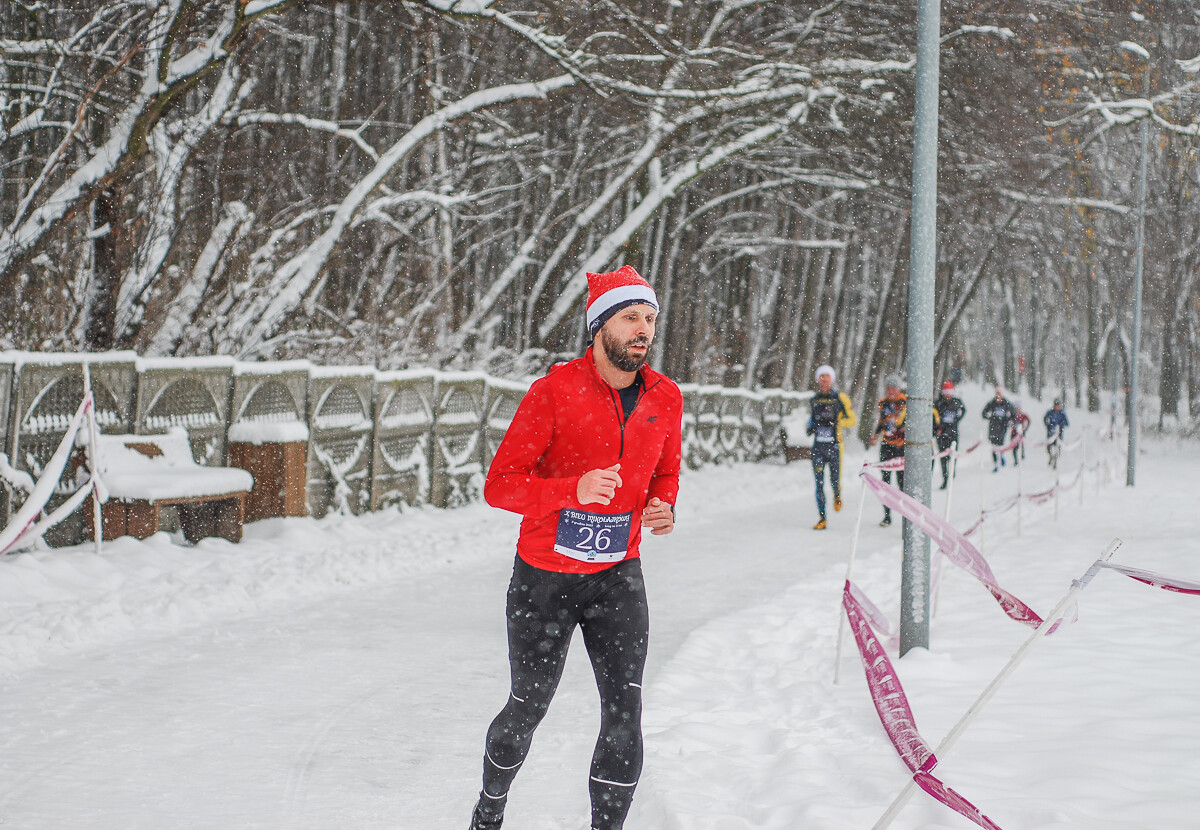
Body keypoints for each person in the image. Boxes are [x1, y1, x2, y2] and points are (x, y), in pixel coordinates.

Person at [468, 265, 682, 830]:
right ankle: (489, 811)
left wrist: (663, 506)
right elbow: (500, 485)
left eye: (650, 319)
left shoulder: (666, 397)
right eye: (631, 318)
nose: (644, 330)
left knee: (625, 713)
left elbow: (665, 473)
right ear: (599, 328)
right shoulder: (553, 393)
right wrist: (572, 492)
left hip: (618, 574)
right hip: (545, 580)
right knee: (528, 706)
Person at [806, 364, 857, 530]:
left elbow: (852, 420)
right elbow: (812, 419)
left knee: (834, 481)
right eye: (821, 376)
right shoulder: (814, 400)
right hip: (818, 448)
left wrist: (838, 423)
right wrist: (810, 427)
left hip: (834, 447)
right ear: (818, 380)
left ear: (832, 379)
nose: (824, 379)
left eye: (827, 376)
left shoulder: (839, 398)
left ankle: (837, 494)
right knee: (818, 483)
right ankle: (822, 517)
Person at [868, 374, 906, 527]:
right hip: (886, 445)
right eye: (888, 388)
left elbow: (913, 422)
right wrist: (876, 435)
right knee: (885, 483)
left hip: (901, 446)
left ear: (898, 389)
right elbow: (882, 421)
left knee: (902, 482)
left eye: (894, 388)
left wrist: (904, 428)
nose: (891, 391)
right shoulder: (882, 403)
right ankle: (887, 515)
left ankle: (906, 515)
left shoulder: (905, 402)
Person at [933, 380, 966, 489]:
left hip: (953, 433)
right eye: (946, 392)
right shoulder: (938, 402)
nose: (947, 394)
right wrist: (937, 428)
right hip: (942, 434)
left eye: (949, 392)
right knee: (943, 457)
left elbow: (964, 410)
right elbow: (934, 416)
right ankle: (945, 478)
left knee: (953, 456)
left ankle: (952, 473)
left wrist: (957, 419)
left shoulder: (957, 401)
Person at [982, 386, 1016, 472]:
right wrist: (989, 417)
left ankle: (1001, 455)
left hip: (1002, 426)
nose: (998, 396)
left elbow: (1013, 413)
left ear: (1002, 394)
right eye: (997, 393)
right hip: (993, 426)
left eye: (999, 394)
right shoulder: (992, 403)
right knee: (993, 445)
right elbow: (984, 413)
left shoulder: (1006, 402)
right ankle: (995, 464)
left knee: (1000, 443)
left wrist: (1009, 420)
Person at [1044, 398, 1070, 468]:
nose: (1057, 407)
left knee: (1057, 448)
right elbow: (1045, 420)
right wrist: (1048, 425)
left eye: (1058, 405)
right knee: (1049, 447)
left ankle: (1055, 462)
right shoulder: (1050, 412)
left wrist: (1062, 423)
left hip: (1059, 434)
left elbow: (1067, 423)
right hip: (1051, 433)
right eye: (1056, 405)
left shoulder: (1062, 413)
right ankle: (1051, 457)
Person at [1011, 400, 1030, 466]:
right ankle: (1016, 460)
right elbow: (1009, 423)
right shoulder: (1012, 416)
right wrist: (1012, 425)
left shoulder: (1023, 416)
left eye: (1018, 408)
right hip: (1014, 434)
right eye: (1016, 408)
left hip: (1021, 434)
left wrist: (1025, 428)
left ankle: (1022, 454)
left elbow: (1028, 421)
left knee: (1022, 445)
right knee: (1014, 447)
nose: (1017, 410)